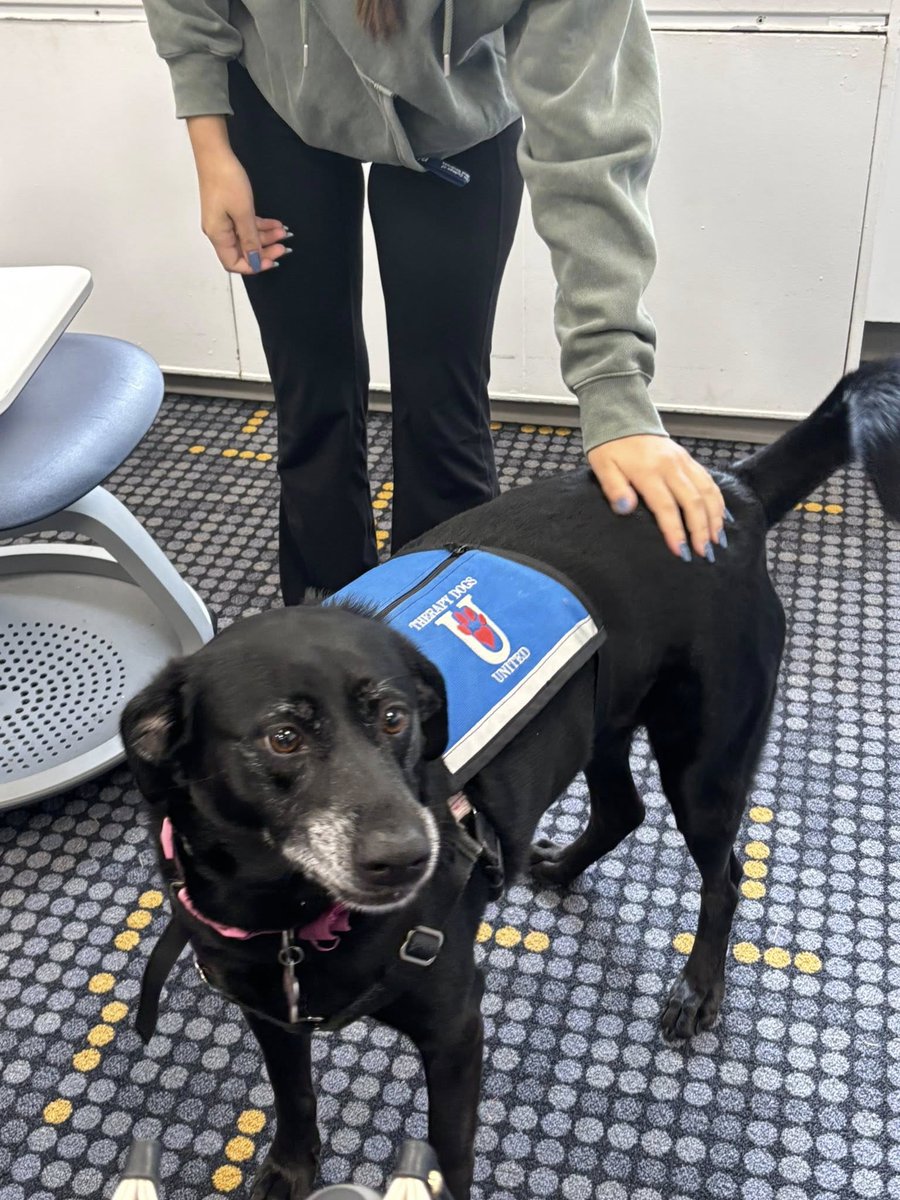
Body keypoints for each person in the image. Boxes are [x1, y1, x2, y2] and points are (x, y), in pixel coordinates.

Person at [141, 0, 726, 604]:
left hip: (457, 107)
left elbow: (589, 141)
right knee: (311, 394)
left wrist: (615, 391)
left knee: (444, 406)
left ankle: (446, 622)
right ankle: (320, 619)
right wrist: (211, 149)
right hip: (277, 90)